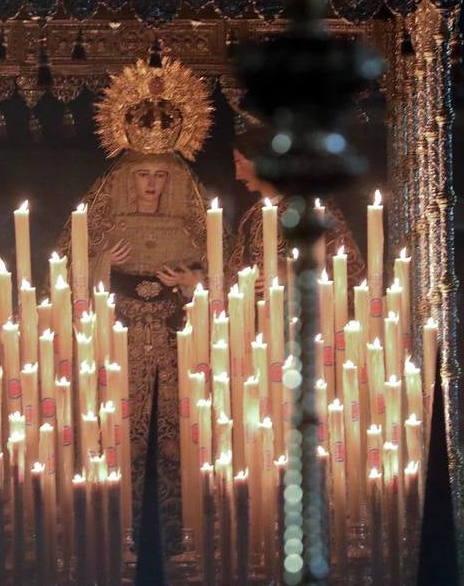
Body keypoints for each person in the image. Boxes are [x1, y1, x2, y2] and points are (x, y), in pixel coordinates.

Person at [58, 57, 213, 561]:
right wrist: (102, 265)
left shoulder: (193, 219)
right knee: (118, 434)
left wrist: (193, 284)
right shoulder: (103, 215)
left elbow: (226, 276)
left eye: (160, 176)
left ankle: (176, 532)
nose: (151, 185)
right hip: (118, 343)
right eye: (143, 175)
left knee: (177, 436)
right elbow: (65, 270)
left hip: (175, 344)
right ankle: (118, 531)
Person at [227, 118, 366, 293]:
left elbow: (346, 267)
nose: (237, 175)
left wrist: (293, 273)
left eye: (239, 162)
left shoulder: (312, 208)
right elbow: (234, 274)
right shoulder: (250, 218)